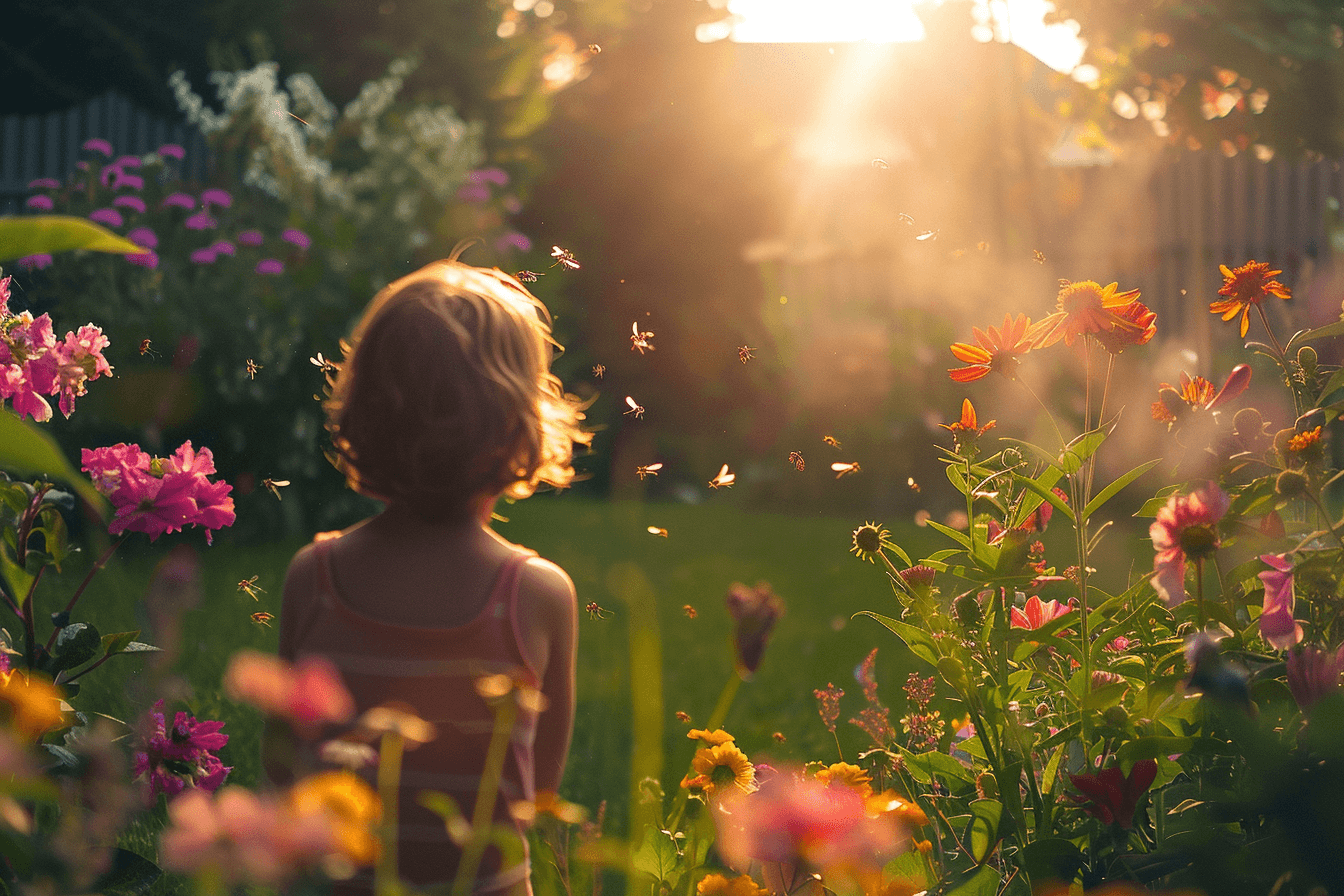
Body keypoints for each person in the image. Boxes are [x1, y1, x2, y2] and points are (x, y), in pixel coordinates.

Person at [276, 258, 590, 894]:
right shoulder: (537, 595)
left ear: (361, 412)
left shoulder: (315, 578)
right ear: (519, 422)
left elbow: (284, 766)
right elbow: (537, 792)